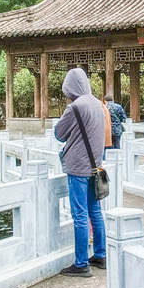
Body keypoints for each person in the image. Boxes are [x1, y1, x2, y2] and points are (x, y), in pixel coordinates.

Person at [53, 68, 107, 277]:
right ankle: (101, 254)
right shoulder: (97, 104)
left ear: (70, 86)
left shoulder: (75, 107)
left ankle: (81, 263)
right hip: (95, 165)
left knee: (80, 214)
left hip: (78, 167)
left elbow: (59, 133)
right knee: (95, 211)